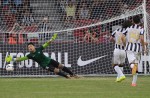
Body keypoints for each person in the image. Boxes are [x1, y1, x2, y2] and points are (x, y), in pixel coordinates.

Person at [6, 33, 79, 79]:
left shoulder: (39, 49)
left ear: (34, 47)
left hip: (49, 60)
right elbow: (20, 59)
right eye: (28, 47)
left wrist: (52, 39)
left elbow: (47, 44)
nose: (30, 48)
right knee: (56, 70)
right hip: (45, 65)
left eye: (31, 46)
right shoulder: (30, 55)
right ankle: (67, 77)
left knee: (61, 66)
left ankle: (73, 74)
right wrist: (12, 58)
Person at [122, 15, 145, 86]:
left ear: (132, 20)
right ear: (139, 21)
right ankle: (133, 83)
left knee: (132, 64)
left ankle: (133, 66)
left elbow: (122, 37)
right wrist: (144, 47)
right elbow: (141, 39)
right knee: (136, 65)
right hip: (138, 49)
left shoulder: (128, 28)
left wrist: (125, 44)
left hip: (129, 47)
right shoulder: (141, 29)